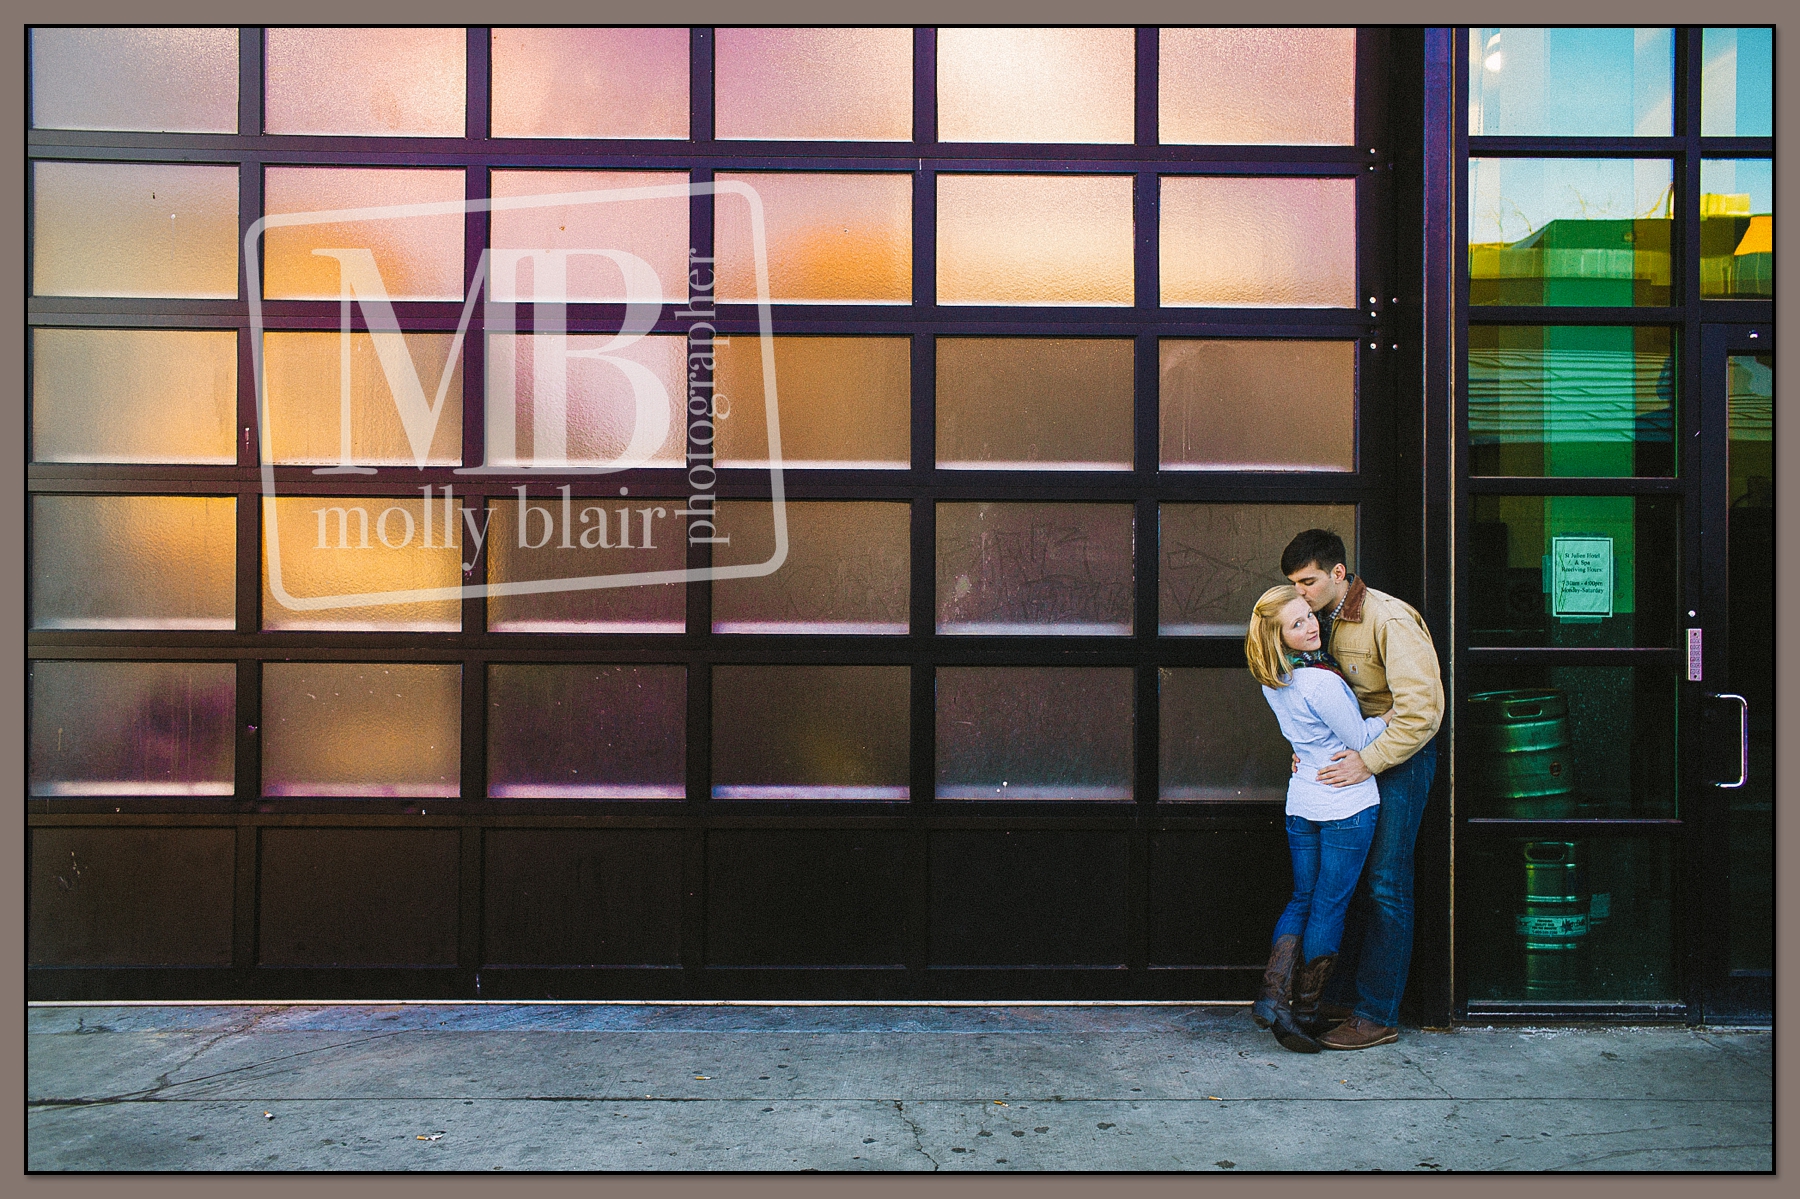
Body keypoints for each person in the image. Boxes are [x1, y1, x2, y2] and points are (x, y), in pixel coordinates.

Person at [1280, 529, 1443, 1051]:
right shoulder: (1315, 620)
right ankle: (1336, 1000)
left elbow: (1421, 714)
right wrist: (1312, 745)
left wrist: (1367, 762)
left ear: (1338, 574)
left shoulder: (1389, 618)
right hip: (1343, 763)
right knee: (1338, 884)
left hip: (1395, 761)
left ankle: (1377, 1015)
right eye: (1293, 584)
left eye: (1308, 581)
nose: (1299, 594)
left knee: (1385, 882)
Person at [1245, 584, 1394, 1054]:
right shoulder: (1321, 680)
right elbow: (1360, 736)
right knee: (1329, 905)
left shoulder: (1278, 678)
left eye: (1308, 615)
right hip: (1345, 804)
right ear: (1278, 637)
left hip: (1303, 799)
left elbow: (1306, 736)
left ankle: (1273, 996)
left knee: (1302, 899)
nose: (1310, 625)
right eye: (1297, 624)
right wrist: (1392, 714)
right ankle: (1305, 1009)